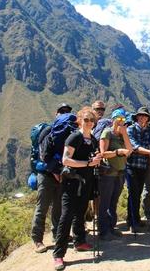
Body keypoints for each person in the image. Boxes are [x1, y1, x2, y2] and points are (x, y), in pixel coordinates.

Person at [53, 107, 102, 271]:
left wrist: (96, 159)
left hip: (86, 182)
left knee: (80, 212)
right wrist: (88, 163)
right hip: (71, 183)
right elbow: (66, 160)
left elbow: (91, 157)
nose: (89, 123)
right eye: (86, 120)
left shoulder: (93, 139)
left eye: (91, 120)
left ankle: (79, 241)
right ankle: (58, 254)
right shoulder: (74, 137)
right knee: (66, 216)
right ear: (80, 120)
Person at [31, 103, 72, 253]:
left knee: (58, 207)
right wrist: (56, 171)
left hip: (61, 174)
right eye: (61, 111)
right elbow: (44, 155)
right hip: (46, 175)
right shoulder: (48, 131)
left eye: (67, 112)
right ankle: (37, 240)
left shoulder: (67, 132)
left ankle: (57, 234)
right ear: (56, 113)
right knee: (42, 208)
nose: (64, 114)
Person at [98, 108, 133, 240]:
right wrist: (117, 152)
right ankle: (103, 230)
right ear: (113, 119)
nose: (120, 121)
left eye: (123, 119)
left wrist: (124, 134)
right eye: (118, 119)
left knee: (114, 202)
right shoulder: (107, 133)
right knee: (105, 202)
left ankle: (111, 227)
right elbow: (102, 153)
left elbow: (129, 150)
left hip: (120, 172)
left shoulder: (122, 134)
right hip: (108, 172)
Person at [126, 106, 150, 232]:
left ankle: (134, 219)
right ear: (137, 117)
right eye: (140, 116)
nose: (142, 118)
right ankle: (132, 221)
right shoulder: (130, 129)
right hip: (131, 165)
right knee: (133, 193)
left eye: (145, 116)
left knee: (138, 192)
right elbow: (134, 146)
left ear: (147, 119)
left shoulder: (149, 131)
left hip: (143, 166)